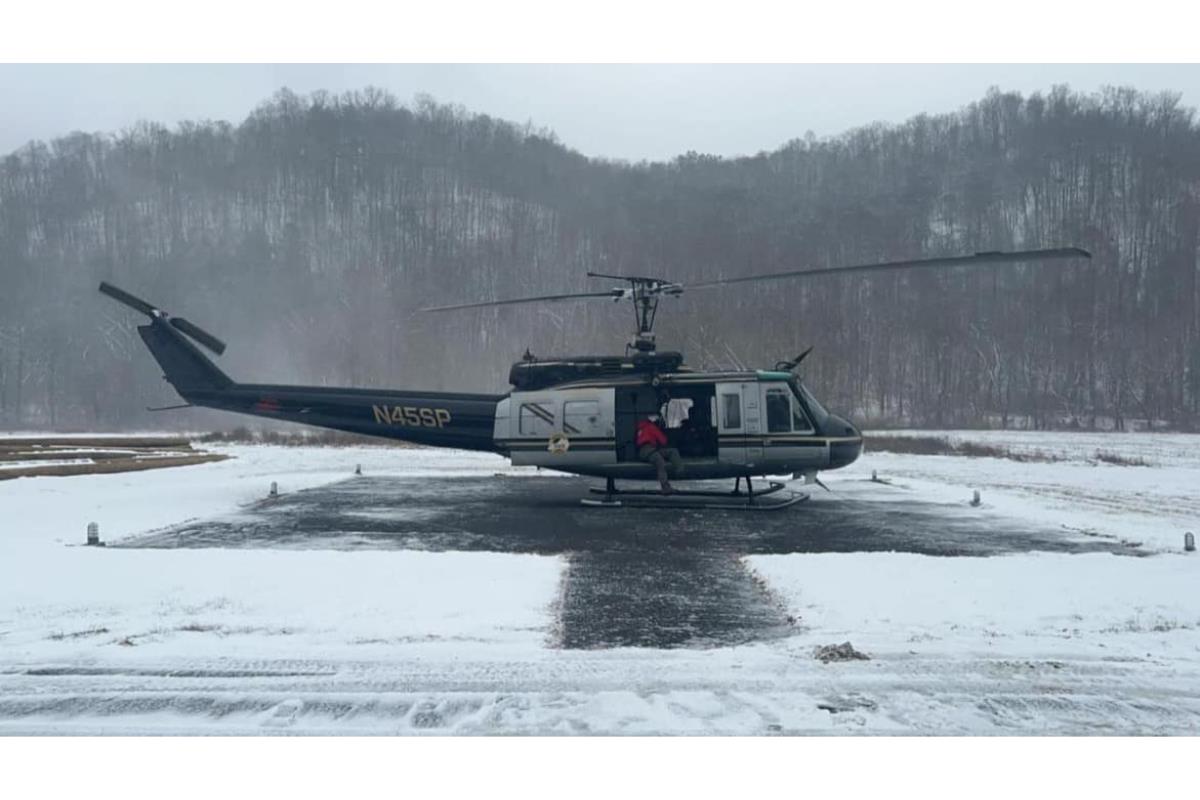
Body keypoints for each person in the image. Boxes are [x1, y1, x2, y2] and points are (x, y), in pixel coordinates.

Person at [636, 413, 683, 494]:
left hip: (645, 451)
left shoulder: (641, 428)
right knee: (660, 461)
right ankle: (667, 485)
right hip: (649, 450)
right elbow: (663, 441)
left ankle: (679, 470)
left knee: (670, 452)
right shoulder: (652, 427)